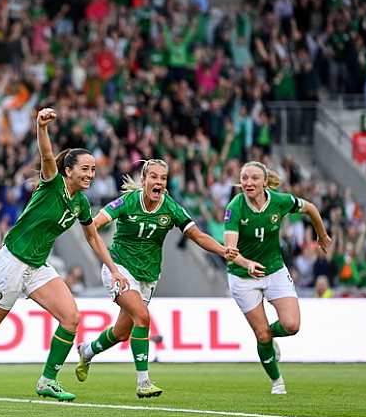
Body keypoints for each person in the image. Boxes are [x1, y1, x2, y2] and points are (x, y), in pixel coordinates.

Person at [0, 108, 129, 405]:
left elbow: (93, 236)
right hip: (11, 262)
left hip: (37, 266)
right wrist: (41, 127)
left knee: (71, 318)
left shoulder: (81, 203)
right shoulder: (52, 183)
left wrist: (114, 269)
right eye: (85, 169)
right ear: (68, 170)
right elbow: (46, 156)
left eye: (93, 170)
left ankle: (48, 380)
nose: (90, 175)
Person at [74, 159, 243, 398]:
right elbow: (94, 224)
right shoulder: (128, 202)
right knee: (142, 317)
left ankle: (87, 351)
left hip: (149, 275)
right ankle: (143, 382)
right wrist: (108, 259)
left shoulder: (170, 208)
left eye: (163, 178)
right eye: (153, 177)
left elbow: (197, 235)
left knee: (122, 332)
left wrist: (222, 250)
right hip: (120, 268)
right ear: (143, 180)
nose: (159, 182)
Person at [224, 161, 331, 395]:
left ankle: (268, 338)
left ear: (264, 182)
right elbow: (230, 252)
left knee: (292, 325)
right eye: (244, 178)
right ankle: (277, 382)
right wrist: (246, 264)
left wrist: (322, 235)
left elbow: (311, 208)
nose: (248, 183)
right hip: (243, 277)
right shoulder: (235, 207)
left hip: (274, 270)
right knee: (260, 333)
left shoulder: (280, 201)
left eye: (254, 178)